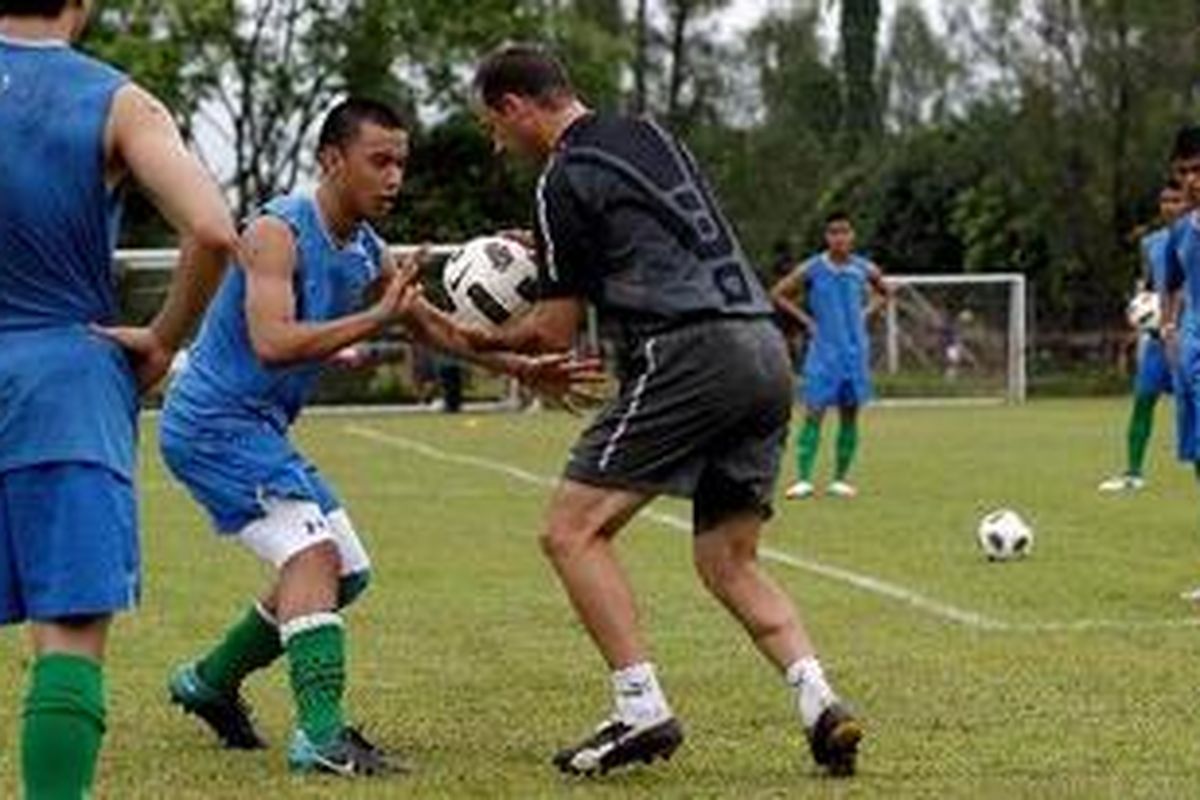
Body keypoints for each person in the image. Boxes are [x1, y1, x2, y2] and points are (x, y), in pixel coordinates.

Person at [460, 43, 863, 778]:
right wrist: (557, 257)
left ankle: (639, 708)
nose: (496, 142)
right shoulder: (650, 135)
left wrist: (459, 336)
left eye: (493, 126)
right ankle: (820, 702)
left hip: (691, 352)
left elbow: (550, 331)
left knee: (571, 531)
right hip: (765, 351)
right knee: (728, 559)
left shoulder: (561, 177)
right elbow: (646, 239)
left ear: (516, 107)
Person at [159, 97, 588, 778]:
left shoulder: (364, 248)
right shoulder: (277, 232)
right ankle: (321, 739)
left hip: (257, 428)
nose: (394, 177)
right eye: (379, 161)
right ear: (332, 160)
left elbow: (433, 327)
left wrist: (522, 365)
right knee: (313, 560)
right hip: (213, 425)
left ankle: (208, 682)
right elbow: (273, 342)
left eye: (401, 164)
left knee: (345, 572)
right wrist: (378, 316)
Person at [0, 1, 238, 797]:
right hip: (64, 385)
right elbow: (211, 229)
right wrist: (165, 336)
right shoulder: (117, 100)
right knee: (66, 636)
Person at [770, 212, 892, 500]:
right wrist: (808, 322)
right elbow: (778, 293)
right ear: (827, 237)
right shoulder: (813, 268)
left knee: (850, 414)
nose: (839, 238)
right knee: (814, 411)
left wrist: (867, 312)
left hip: (854, 351)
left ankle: (840, 479)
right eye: (834, 233)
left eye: (844, 232)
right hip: (824, 351)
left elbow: (885, 291)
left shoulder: (863, 268)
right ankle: (803, 478)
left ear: (852, 236)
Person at [1099, 180, 1189, 493]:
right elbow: (1152, 286)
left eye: (1176, 200)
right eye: (1165, 200)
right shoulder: (1151, 242)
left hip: (1191, 337)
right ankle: (1133, 473)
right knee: (1143, 401)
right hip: (1158, 337)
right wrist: (1140, 310)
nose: (1169, 206)